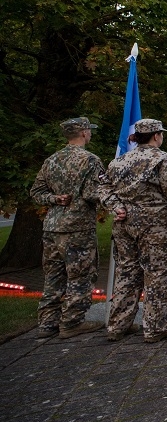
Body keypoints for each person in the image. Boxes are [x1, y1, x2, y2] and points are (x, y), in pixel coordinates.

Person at [30, 117, 119, 339]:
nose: (90, 134)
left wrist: (55, 198)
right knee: (80, 275)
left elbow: (37, 192)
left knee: (53, 276)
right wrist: (114, 203)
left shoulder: (52, 160)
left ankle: (47, 323)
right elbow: (93, 193)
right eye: (89, 130)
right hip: (77, 228)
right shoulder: (90, 160)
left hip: (52, 227)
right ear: (83, 133)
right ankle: (71, 322)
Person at [104, 119, 167, 343]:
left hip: (124, 227)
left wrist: (115, 206)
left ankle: (117, 326)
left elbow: (102, 187)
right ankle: (155, 328)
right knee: (158, 276)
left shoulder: (118, 162)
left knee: (126, 274)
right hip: (156, 227)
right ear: (157, 135)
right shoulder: (163, 160)